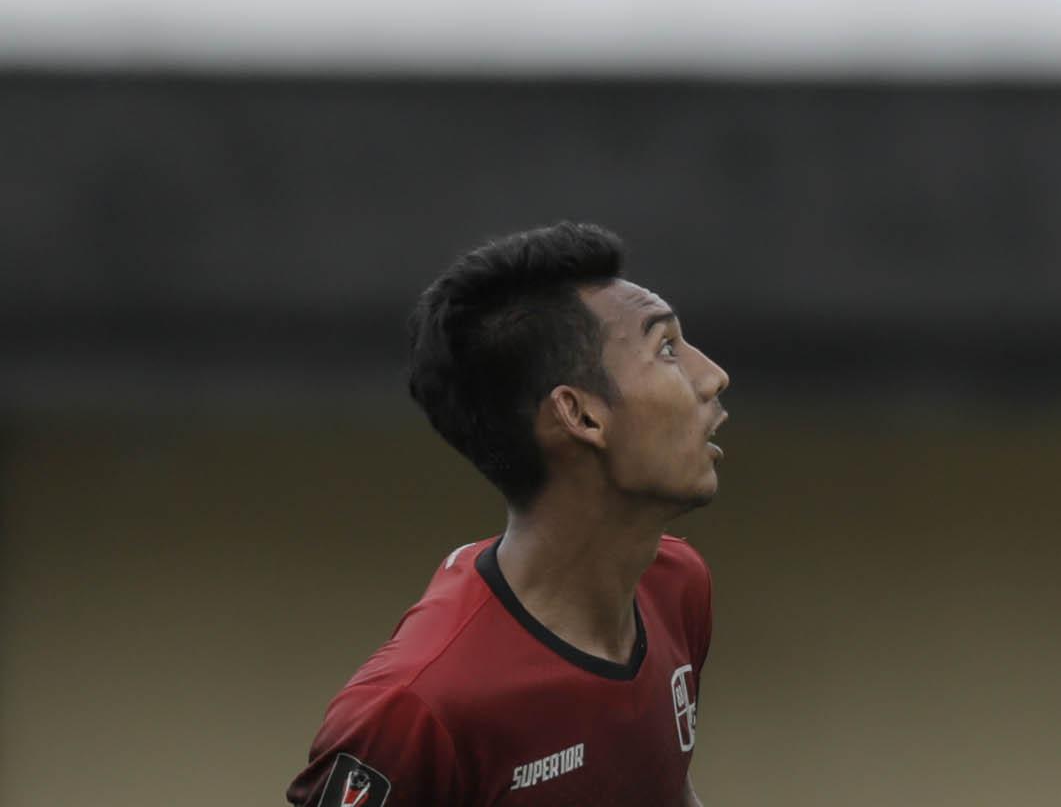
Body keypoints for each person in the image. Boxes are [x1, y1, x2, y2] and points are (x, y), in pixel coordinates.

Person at [287, 222, 730, 806]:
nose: (712, 376)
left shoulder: (677, 587)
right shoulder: (414, 710)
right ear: (581, 416)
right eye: (666, 349)